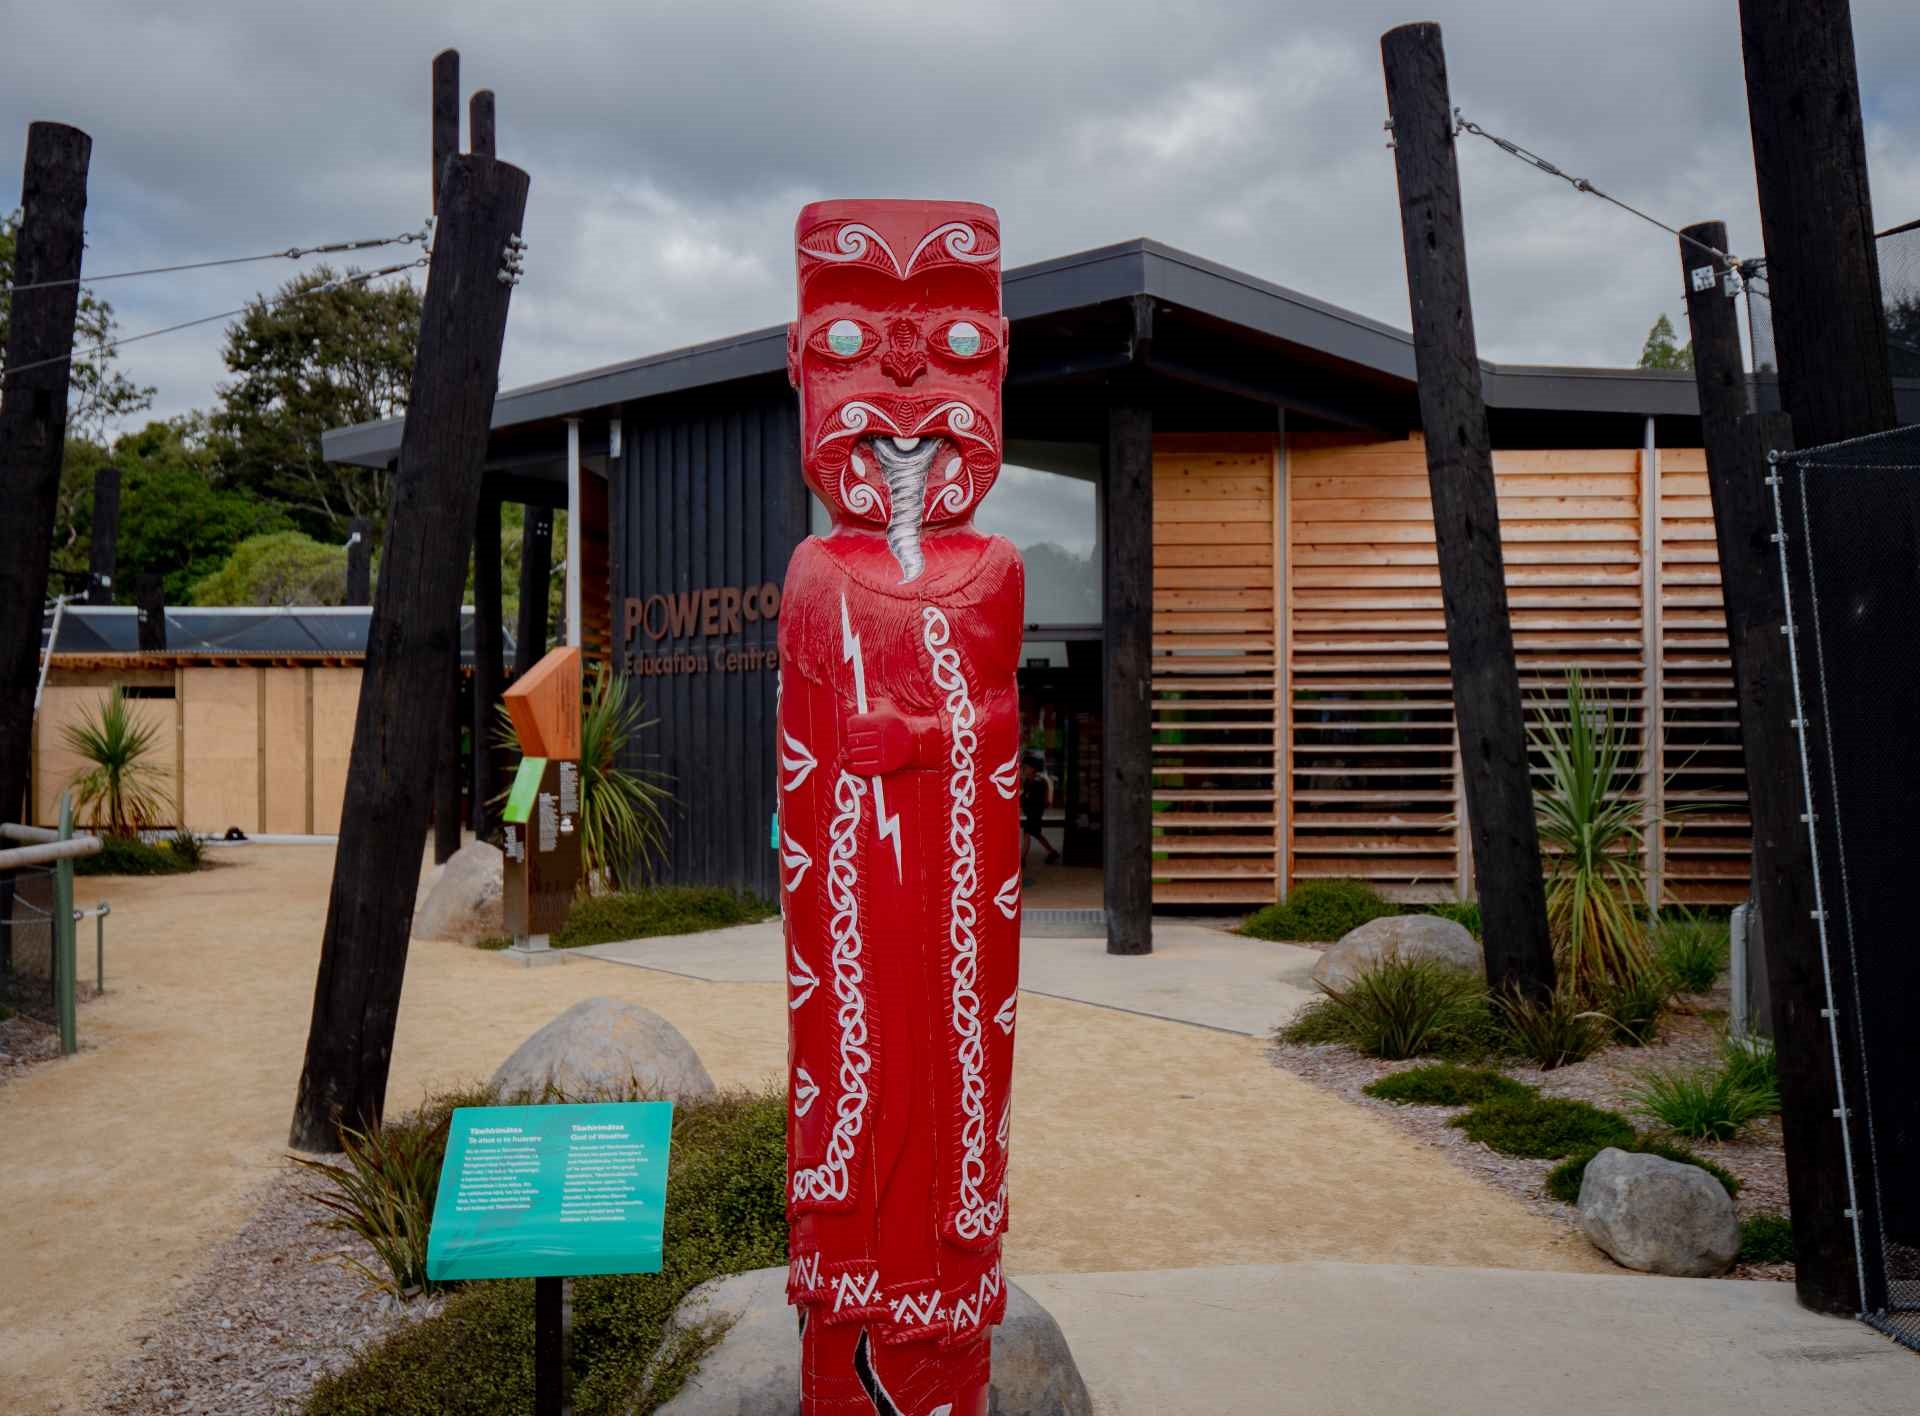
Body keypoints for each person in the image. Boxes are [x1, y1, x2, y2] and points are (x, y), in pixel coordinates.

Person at [1020, 751, 1060, 873]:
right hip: (1032, 812)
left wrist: (1025, 799)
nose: (1023, 770)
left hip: (1035, 812)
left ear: (1033, 769)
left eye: (1025, 768)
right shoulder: (1029, 781)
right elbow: (1025, 796)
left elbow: (1034, 799)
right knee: (1036, 834)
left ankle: (1022, 858)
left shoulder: (1038, 782)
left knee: (1027, 833)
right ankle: (1052, 852)